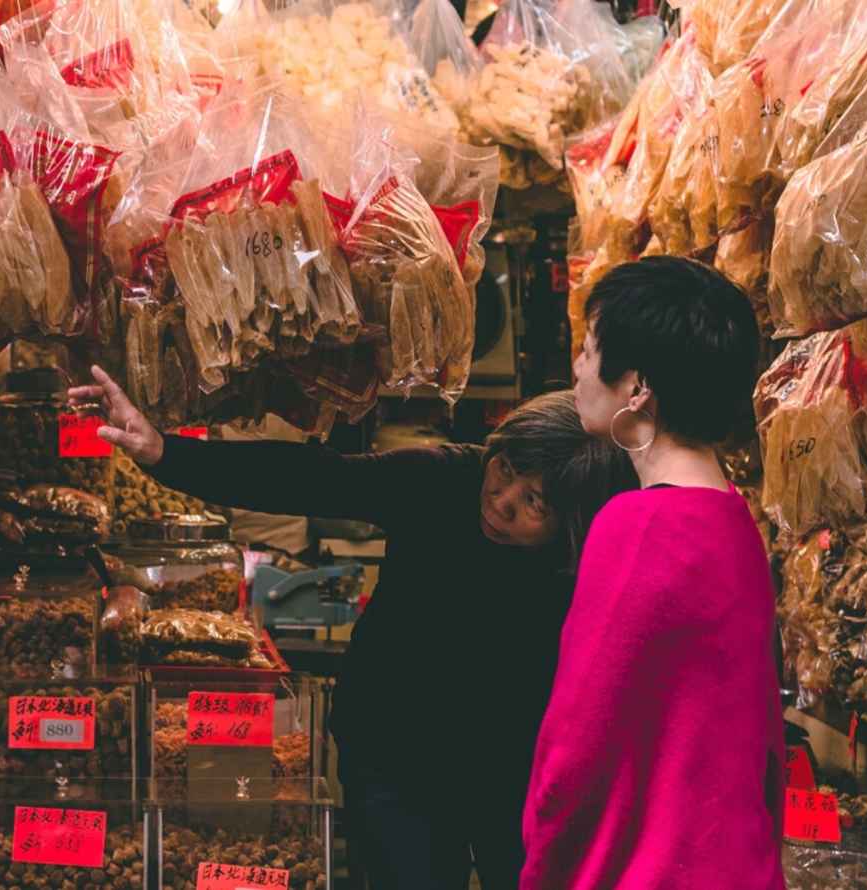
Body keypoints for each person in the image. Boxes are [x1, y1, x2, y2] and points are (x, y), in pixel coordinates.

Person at [71, 369, 638, 890]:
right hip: (394, 760)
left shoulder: (598, 555)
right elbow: (315, 479)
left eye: (533, 501)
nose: (502, 499)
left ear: (574, 523)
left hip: (516, 775)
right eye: (506, 469)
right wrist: (165, 453)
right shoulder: (446, 478)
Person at [521, 257, 785, 890]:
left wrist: (539, 867)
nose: (578, 368)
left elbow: (573, 755)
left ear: (637, 387)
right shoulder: (731, 519)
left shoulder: (637, 528)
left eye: (588, 350)